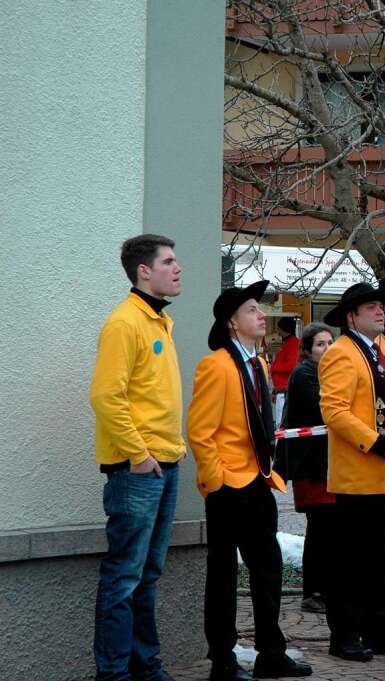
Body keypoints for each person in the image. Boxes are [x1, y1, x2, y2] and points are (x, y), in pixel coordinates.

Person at [187, 280, 311, 680]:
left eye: (260, 309)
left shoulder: (257, 363)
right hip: (228, 486)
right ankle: (222, 660)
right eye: (252, 310)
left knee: (268, 569)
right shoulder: (216, 365)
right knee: (223, 575)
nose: (261, 316)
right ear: (232, 323)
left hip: (259, 480)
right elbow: (200, 432)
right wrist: (216, 481)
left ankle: (270, 654)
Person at [90, 235, 185, 681]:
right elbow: (106, 397)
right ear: (143, 271)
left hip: (164, 465)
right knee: (124, 579)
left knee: (146, 577)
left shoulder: (159, 322)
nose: (177, 268)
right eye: (168, 262)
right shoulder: (125, 322)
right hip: (138, 471)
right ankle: (114, 675)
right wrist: (139, 455)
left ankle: (146, 667)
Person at [317, 282, 385, 662]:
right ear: (352, 316)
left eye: (379, 306)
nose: (380, 312)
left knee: (381, 559)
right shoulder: (341, 353)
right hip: (358, 473)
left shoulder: (382, 349)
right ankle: (346, 634)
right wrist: (375, 442)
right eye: (370, 307)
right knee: (352, 562)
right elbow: (334, 411)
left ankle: (380, 627)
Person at [277, 323, 334, 614]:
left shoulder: (328, 373)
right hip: (312, 466)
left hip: (329, 465)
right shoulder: (305, 374)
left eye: (329, 343)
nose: (327, 349)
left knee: (330, 529)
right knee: (320, 529)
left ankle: (327, 587)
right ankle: (313, 591)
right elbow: (325, 410)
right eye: (320, 344)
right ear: (308, 350)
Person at [270, 316, 299, 426]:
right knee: (280, 424)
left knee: (281, 425)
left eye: (279, 329)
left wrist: (273, 368)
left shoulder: (292, 343)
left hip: (284, 392)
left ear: (284, 329)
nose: (278, 332)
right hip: (281, 391)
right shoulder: (289, 343)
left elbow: (292, 365)